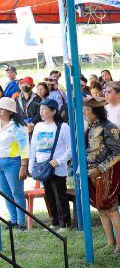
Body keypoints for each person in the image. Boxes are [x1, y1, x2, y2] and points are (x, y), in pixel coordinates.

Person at [84, 97, 120, 253]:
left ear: (96, 111)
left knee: (111, 209)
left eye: (87, 110)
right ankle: (110, 241)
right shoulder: (91, 128)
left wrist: (100, 169)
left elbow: (117, 153)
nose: (85, 113)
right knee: (101, 209)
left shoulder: (110, 127)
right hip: (91, 173)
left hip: (107, 173)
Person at [28, 99, 71, 231]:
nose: (41, 112)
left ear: (53, 111)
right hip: (42, 167)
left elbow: (71, 149)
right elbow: (33, 146)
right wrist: (31, 165)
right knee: (49, 195)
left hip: (57, 167)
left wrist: (60, 160)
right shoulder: (38, 126)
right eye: (40, 109)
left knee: (60, 195)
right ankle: (55, 221)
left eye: (44, 109)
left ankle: (65, 223)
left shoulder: (63, 127)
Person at [0, 97, 29, 229]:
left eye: (2, 109)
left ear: (10, 111)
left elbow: (24, 147)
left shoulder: (18, 126)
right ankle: (13, 220)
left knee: (16, 193)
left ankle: (21, 222)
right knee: (6, 193)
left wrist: (23, 166)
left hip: (14, 163)